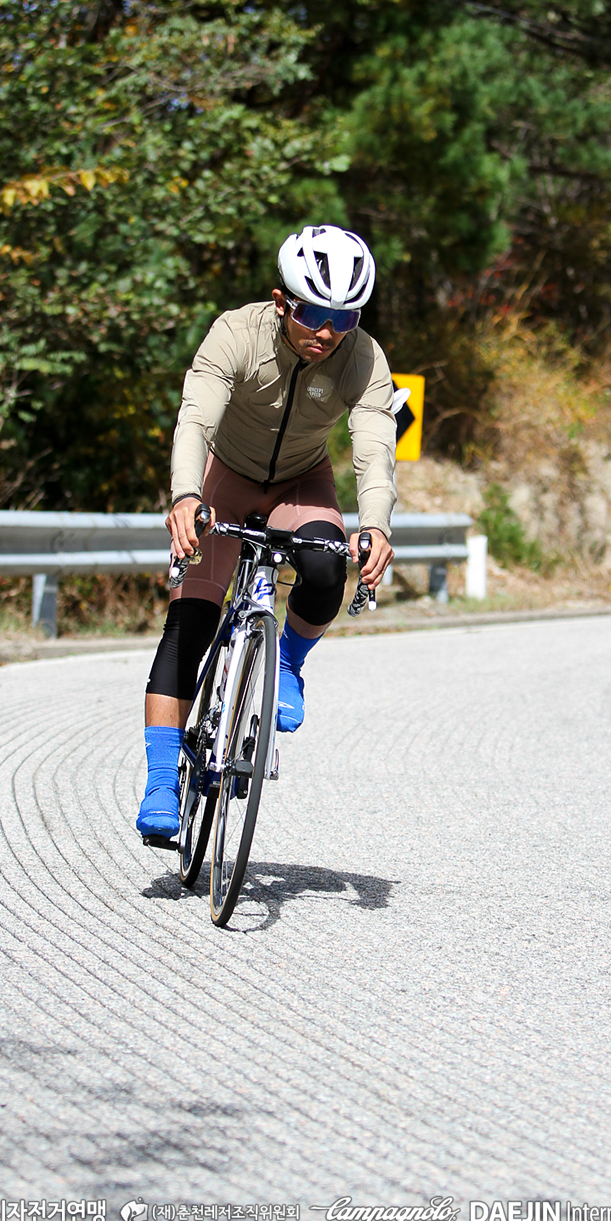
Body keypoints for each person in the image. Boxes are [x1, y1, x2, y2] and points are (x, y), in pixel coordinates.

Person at [136, 224, 397, 842]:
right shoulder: (236, 332)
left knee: (326, 568)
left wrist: (376, 524)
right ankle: (161, 782)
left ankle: (286, 661)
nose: (326, 332)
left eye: (344, 317)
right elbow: (196, 418)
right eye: (312, 313)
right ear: (282, 301)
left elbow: (374, 447)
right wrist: (186, 496)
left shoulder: (363, 357)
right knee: (189, 627)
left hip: (301, 482)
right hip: (225, 475)